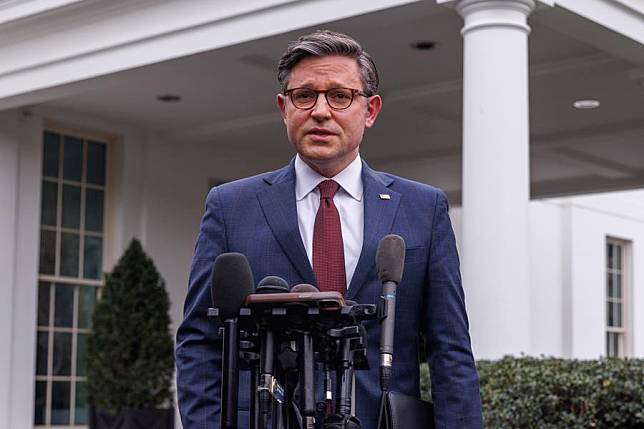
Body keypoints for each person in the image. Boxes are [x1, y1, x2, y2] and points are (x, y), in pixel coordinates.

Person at [176, 30, 482, 429]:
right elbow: (200, 341)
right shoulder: (231, 206)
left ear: (370, 110)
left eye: (340, 96)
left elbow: (450, 349)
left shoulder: (424, 209)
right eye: (305, 96)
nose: (321, 110)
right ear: (284, 107)